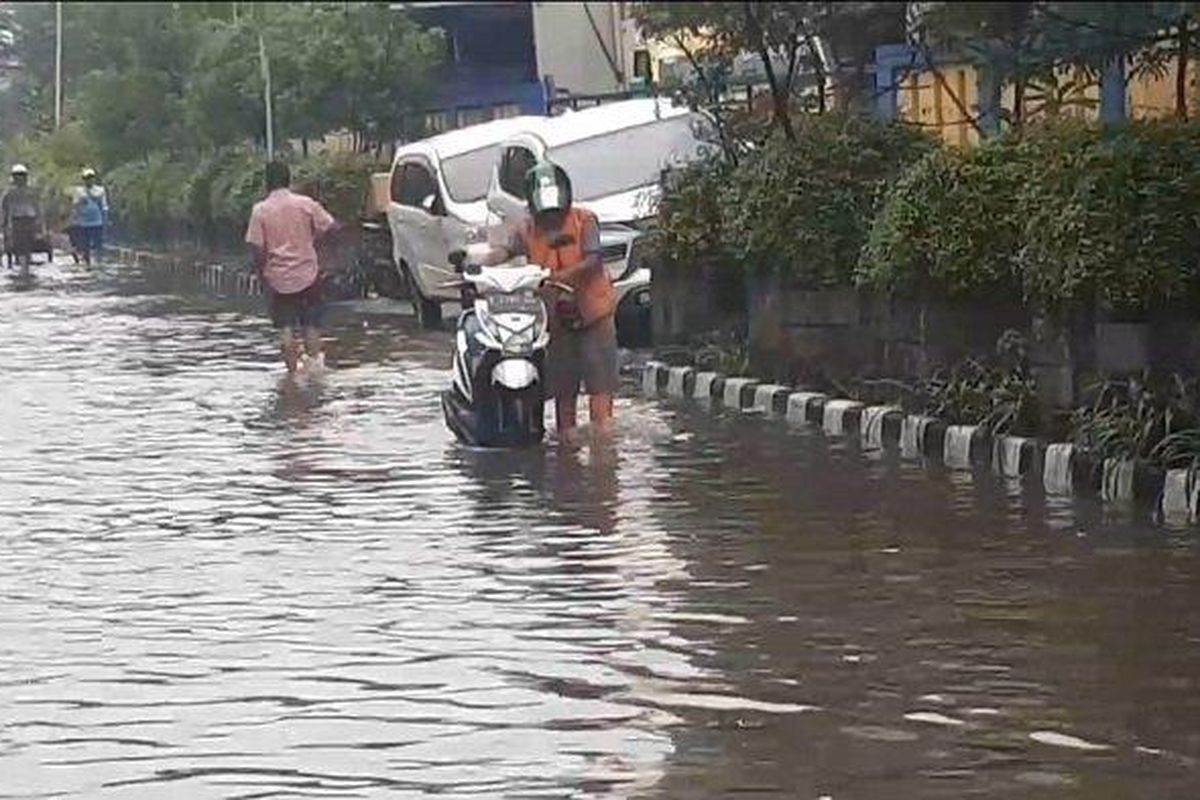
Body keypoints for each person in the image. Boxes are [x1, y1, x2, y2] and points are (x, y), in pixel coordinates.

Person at [483, 160, 619, 441]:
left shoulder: (585, 221)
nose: (551, 220)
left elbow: (593, 260)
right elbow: (504, 251)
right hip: (556, 321)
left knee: (600, 389)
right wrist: (480, 265)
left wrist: (558, 276)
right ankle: (566, 457)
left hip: (594, 317)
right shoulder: (527, 230)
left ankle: (603, 452)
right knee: (563, 391)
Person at [244, 160, 338, 374]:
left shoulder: (260, 211)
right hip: (308, 273)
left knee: (285, 328)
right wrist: (321, 249)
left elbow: (257, 248)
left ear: (266, 183)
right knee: (311, 325)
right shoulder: (306, 204)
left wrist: (262, 275)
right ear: (289, 180)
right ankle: (315, 373)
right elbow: (331, 226)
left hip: (277, 278)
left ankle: (292, 376)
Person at [2, 164, 42, 277]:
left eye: (22, 175)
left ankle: (25, 267)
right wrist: (5, 226)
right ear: (13, 177)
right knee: (20, 245)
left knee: (29, 244)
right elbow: (5, 209)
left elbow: (38, 207)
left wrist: (40, 224)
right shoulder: (9, 193)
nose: (20, 178)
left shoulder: (32, 192)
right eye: (17, 176)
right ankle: (23, 269)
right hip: (17, 221)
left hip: (30, 220)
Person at [70, 167, 108, 265]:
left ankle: (99, 263)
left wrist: (105, 220)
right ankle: (87, 264)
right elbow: (75, 207)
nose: (89, 180)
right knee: (85, 246)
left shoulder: (100, 190)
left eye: (91, 178)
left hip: (97, 222)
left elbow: (104, 206)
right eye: (87, 178)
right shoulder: (79, 191)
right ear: (84, 179)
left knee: (98, 245)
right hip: (84, 223)